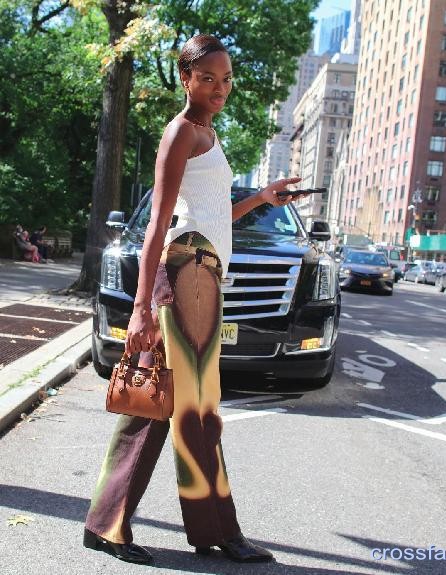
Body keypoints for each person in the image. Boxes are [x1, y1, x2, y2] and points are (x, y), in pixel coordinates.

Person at [83, 34, 304, 565]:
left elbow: (208, 218)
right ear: (185, 79)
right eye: (207, 78)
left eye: (226, 79)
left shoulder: (207, 132)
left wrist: (263, 197)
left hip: (202, 270)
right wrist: (140, 308)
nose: (219, 88)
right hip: (187, 274)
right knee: (196, 407)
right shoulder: (182, 131)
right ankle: (215, 531)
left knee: (163, 403)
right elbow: (159, 222)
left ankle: (107, 521)